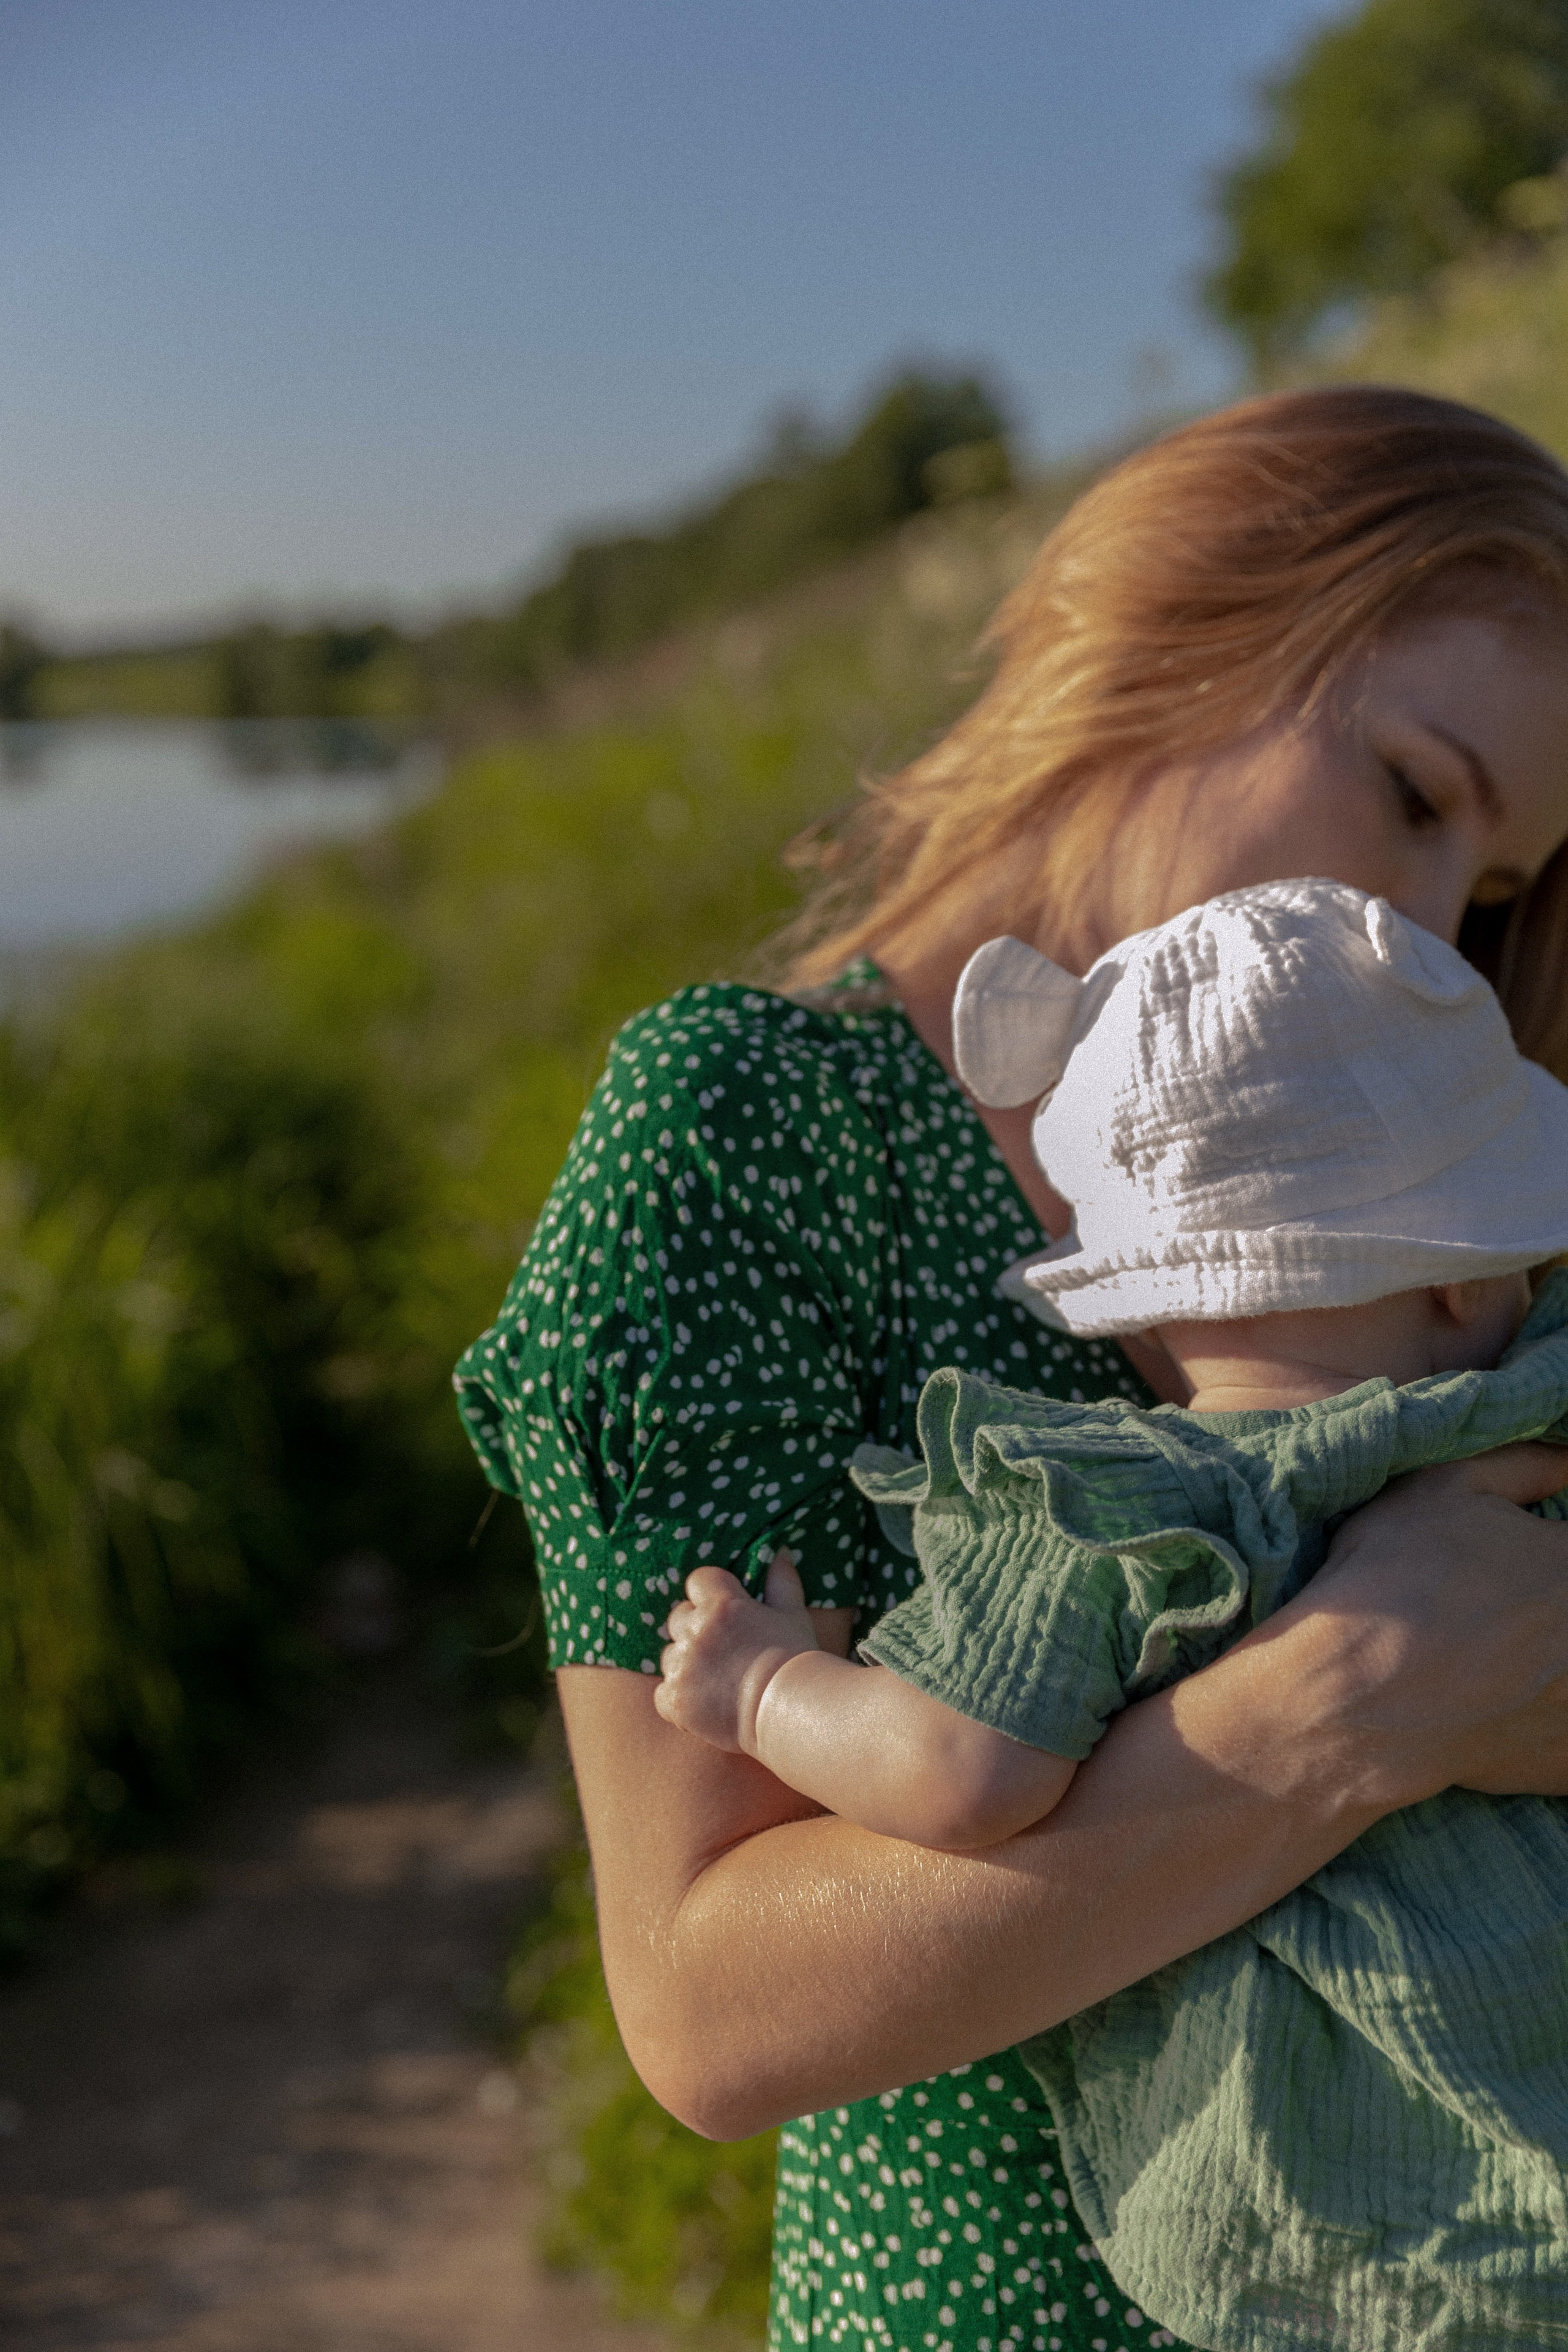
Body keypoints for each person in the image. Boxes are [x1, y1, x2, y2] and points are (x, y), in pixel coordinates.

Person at [453, 386, 1568, 2352]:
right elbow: (710, 2009)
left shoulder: (1454, 1158)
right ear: (1187, 624)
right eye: (1412, 788)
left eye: (1493, 888)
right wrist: (1343, 1714)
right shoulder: (755, 1135)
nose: (1434, 933)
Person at [653, 876, 1568, 2348]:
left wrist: (762, 1691)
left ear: (1148, 1296)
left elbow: (963, 1773)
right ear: (1467, 1291)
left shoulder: (1103, 1510)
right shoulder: (1530, 1422)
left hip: (1315, 2236)